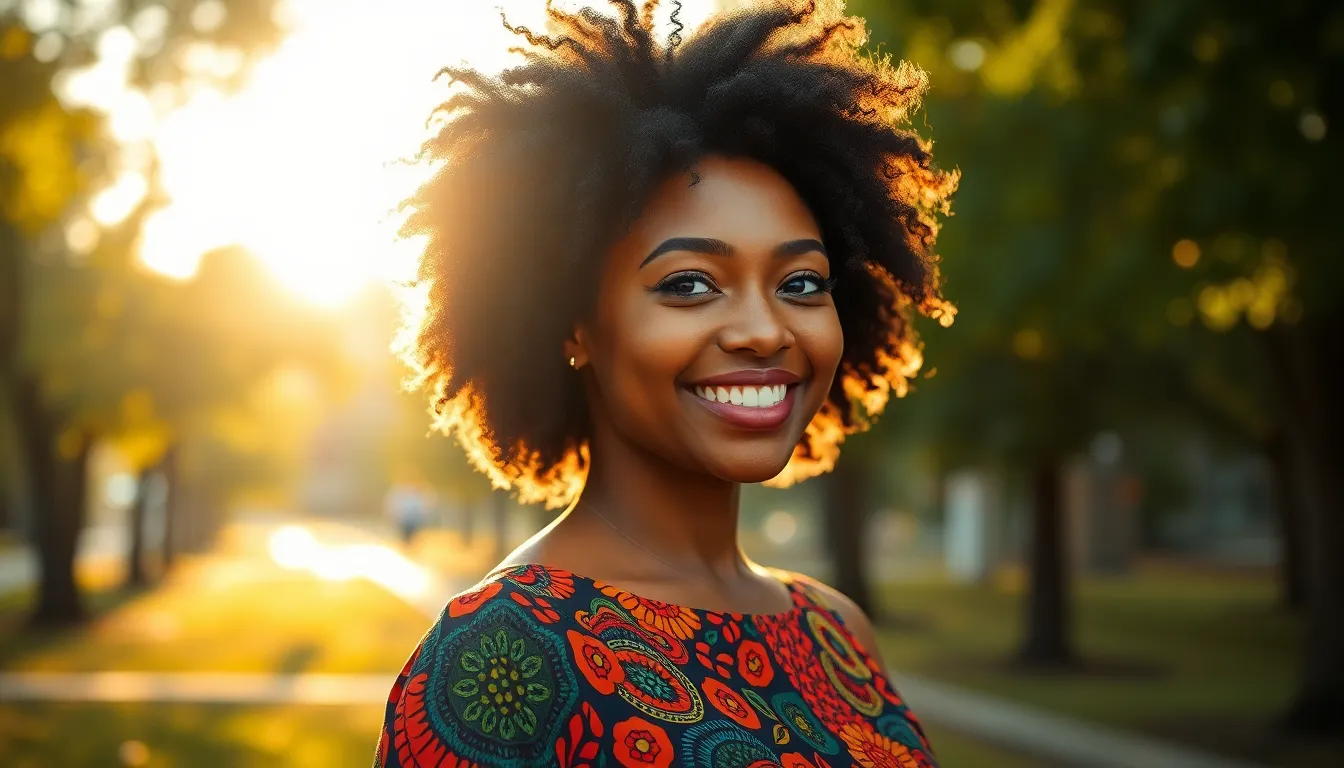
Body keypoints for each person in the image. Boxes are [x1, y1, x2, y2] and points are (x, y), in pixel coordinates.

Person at [376, 2, 957, 766]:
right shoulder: (498, 653)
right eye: (689, 284)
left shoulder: (838, 631)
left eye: (803, 283)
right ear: (573, 323)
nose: (765, 329)